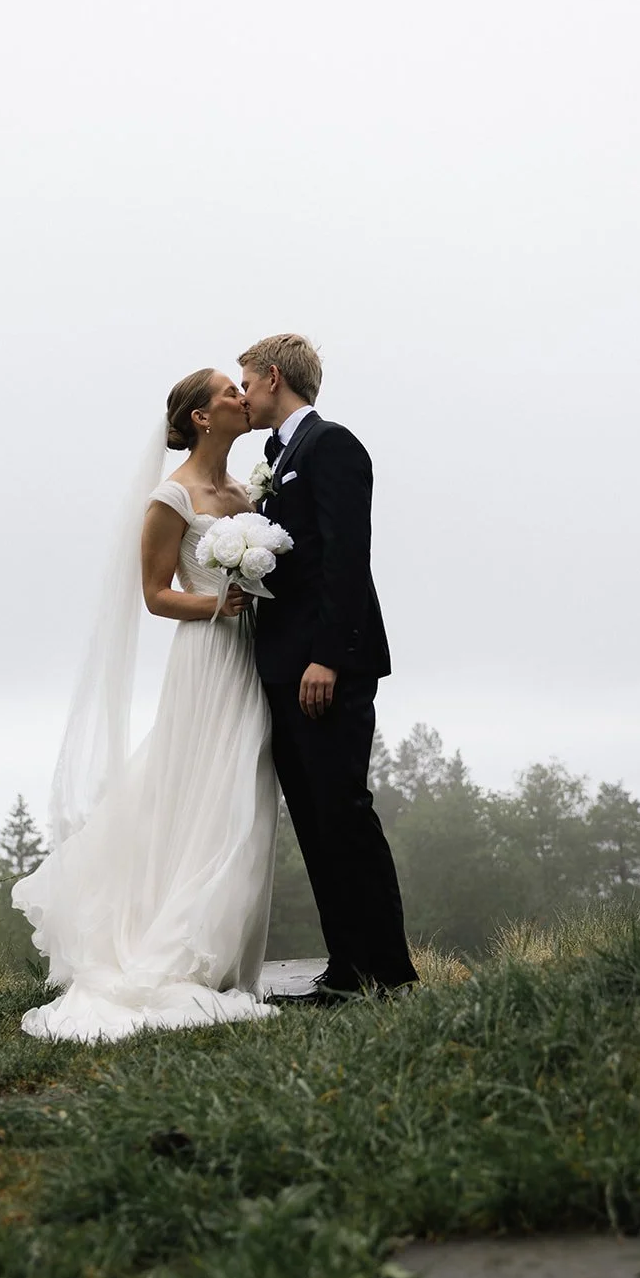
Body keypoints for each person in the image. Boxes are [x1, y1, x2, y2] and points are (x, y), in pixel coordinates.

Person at [12, 369, 280, 1042]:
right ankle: (179, 951)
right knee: (205, 793)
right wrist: (219, 601)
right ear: (197, 415)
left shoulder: (245, 491)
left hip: (254, 654)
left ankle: (221, 957)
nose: (241, 399)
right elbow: (155, 595)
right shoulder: (172, 496)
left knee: (246, 792)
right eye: (228, 392)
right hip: (207, 656)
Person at [238, 333, 418, 1000]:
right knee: (314, 821)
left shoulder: (332, 444)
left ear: (274, 377)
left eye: (247, 382)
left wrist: (327, 657)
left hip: (324, 665)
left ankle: (385, 971)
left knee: (342, 810)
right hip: (283, 665)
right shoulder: (276, 456)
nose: (244, 395)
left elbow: (346, 557)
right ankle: (347, 969)